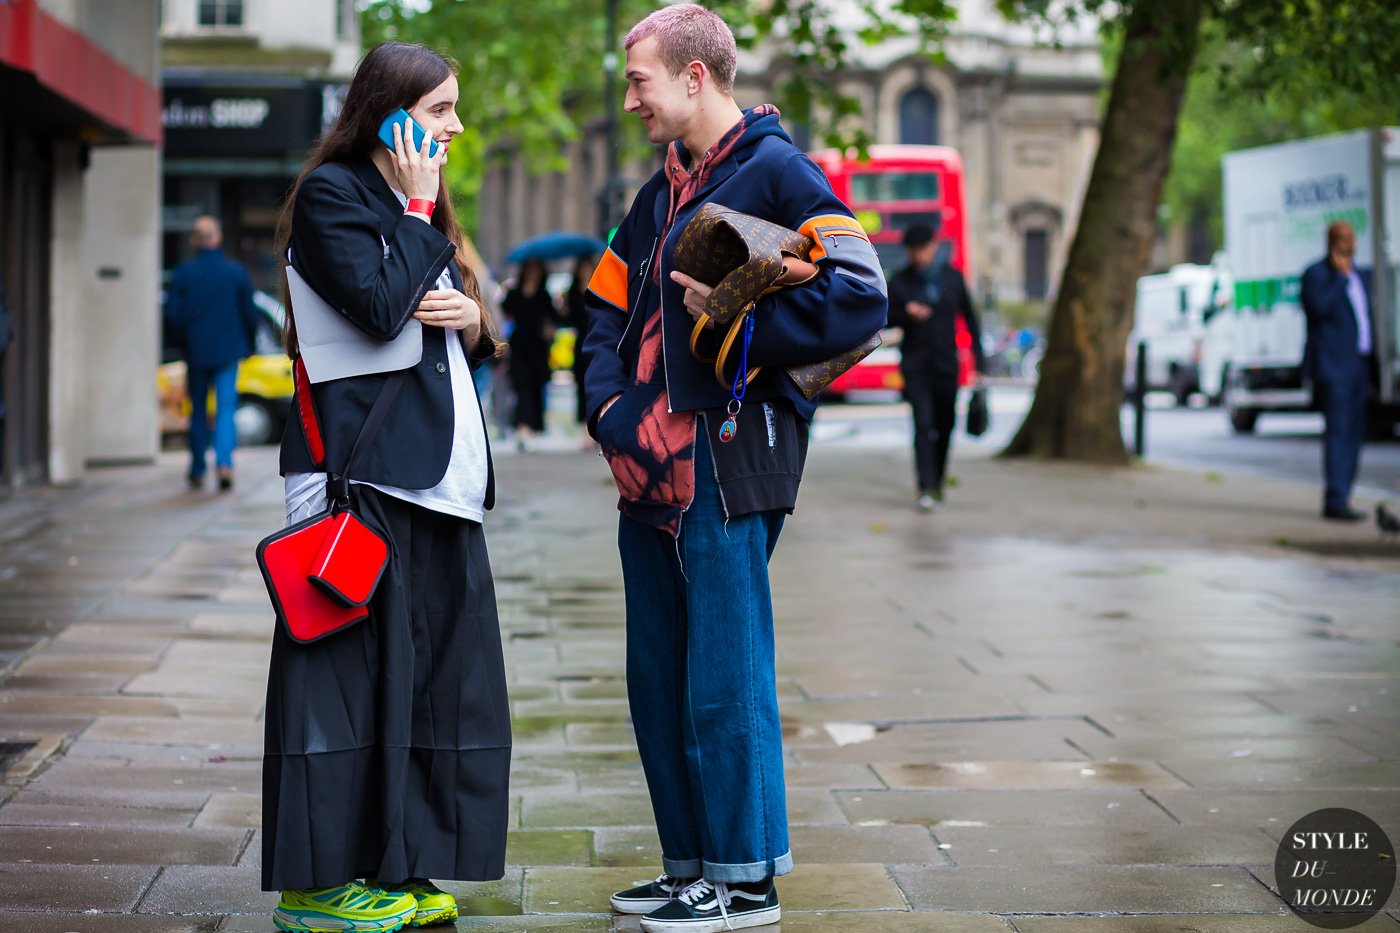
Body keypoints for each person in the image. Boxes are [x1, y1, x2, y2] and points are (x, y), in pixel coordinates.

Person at [581, 6, 886, 931]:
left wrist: (734, 333)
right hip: (646, 470)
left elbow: (861, 295)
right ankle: (690, 869)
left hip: (728, 454)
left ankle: (745, 881)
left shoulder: (782, 172)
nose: (629, 97)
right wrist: (608, 412)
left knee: (725, 668)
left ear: (694, 79)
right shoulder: (651, 197)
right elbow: (601, 311)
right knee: (657, 674)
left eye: (640, 80)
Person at [262, 41, 511, 933]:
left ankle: (398, 862)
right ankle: (318, 886)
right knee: (342, 680)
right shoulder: (336, 195)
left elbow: (466, 323)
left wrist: (477, 321)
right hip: (360, 481)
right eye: (440, 110)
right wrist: (413, 208)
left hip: (435, 479)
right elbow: (373, 307)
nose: (454, 127)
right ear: (390, 111)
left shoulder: (421, 205)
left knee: (431, 681)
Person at [886, 221, 985, 512]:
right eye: (913, 251)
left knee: (945, 425)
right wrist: (907, 314)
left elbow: (971, 321)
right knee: (923, 424)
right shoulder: (901, 282)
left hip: (946, 364)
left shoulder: (952, 278)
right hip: (916, 365)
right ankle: (925, 486)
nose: (919, 256)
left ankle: (938, 481)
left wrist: (979, 364)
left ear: (933, 247)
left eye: (923, 249)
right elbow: (885, 315)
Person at [163, 215, 261, 491]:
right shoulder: (236, 272)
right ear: (217, 238)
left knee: (197, 411)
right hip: (228, 351)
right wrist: (249, 344)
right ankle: (225, 463)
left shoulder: (183, 273)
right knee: (226, 409)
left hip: (196, 352)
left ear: (194, 240)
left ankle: (197, 467)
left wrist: (183, 342)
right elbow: (249, 315)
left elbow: (172, 315)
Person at [1301, 219, 1374, 521]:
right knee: (1338, 432)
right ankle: (1334, 499)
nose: (1349, 243)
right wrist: (1340, 279)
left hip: (1359, 366)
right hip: (1333, 368)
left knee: (1355, 433)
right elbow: (1317, 310)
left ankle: (1345, 494)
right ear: (1331, 241)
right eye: (1343, 238)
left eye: (1352, 238)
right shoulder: (1318, 275)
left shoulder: (1360, 275)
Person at [502, 257, 556, 447]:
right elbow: (505, 311)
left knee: (534, 387)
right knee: (521, 385)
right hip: (518, 346)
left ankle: (531, 427)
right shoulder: (514, 293)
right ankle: (523, 427)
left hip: (538, 347)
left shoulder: (544, 295)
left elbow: (552, 319)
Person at [559, 253, 599, 431]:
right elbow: (568, 318)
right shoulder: (573, 291)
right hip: (581, 342)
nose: (584, 271)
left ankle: (596, 424)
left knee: (596, 383)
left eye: (586, 267)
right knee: (581, 384)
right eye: (581, 268)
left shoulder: (599, 288)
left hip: (597, 339)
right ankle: (584, 427)